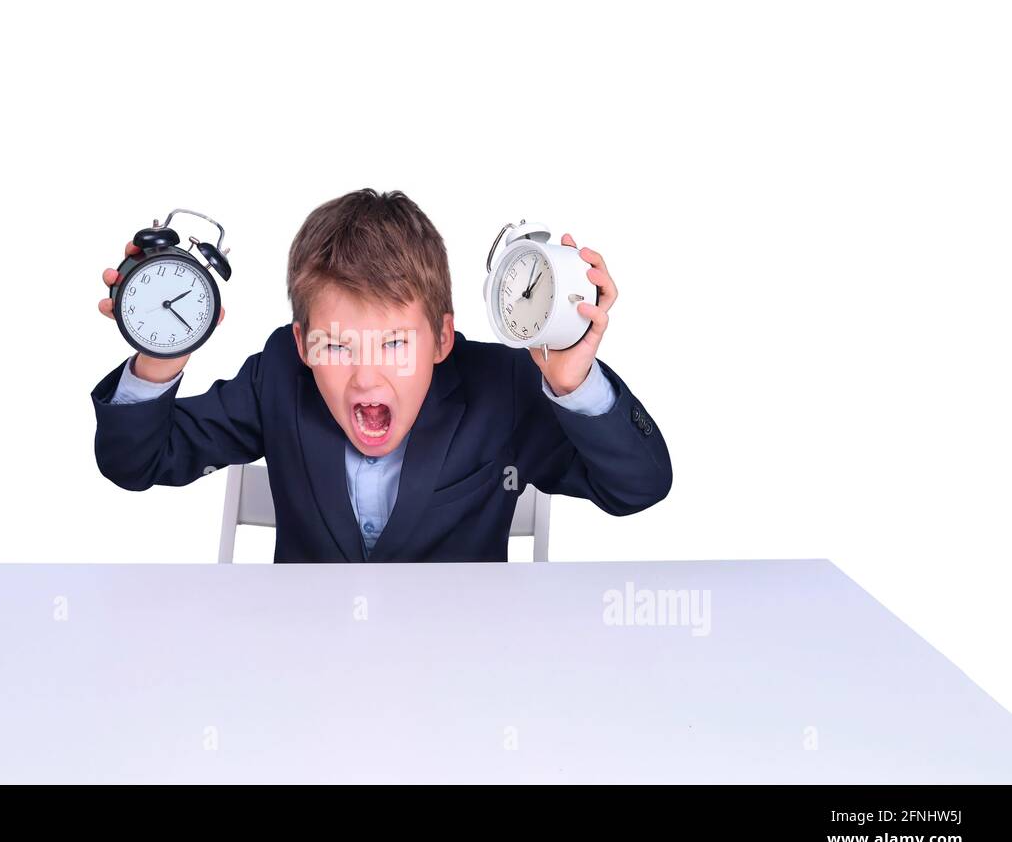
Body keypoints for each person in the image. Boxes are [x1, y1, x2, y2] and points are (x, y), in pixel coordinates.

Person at [91, 188, 671, 562]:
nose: (367, 380)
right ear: (303, 344)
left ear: (443, 338)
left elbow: (638, 487)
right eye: (338, 346)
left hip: (459, 685)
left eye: (395, 343)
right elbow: (135, 462)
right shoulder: (278, 378)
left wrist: (573, 381)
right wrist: (159, 356)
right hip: (306, 683)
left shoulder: (501, 389)